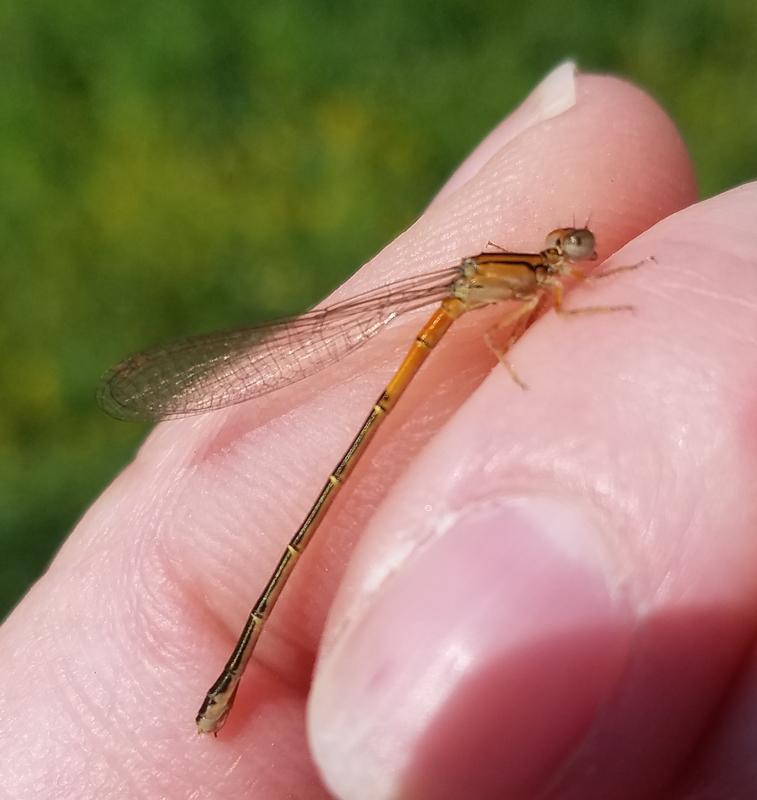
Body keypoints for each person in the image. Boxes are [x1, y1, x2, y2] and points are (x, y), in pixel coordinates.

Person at [3, 62, 755, 799]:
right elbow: (509, 337)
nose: (575, 257)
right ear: (550, 259)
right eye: (567, 252)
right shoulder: (521, 281)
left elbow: (524, 322)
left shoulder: (534, 277)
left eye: (572, 252)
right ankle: (232, 678)